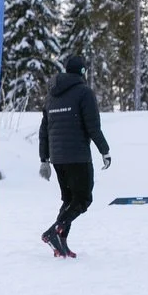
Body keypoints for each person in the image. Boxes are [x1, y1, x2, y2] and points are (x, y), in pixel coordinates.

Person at [38, 54, 111, 259]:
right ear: (82, 72)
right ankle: (53, 232)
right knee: (83, 199)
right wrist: (104, 150)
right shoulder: (84, 92)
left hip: (58, 158)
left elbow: (44, 131)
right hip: (78, 156)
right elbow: (93, 126)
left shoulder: (51, 96)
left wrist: (44, 159)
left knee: (69, 200)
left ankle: (60, 241)